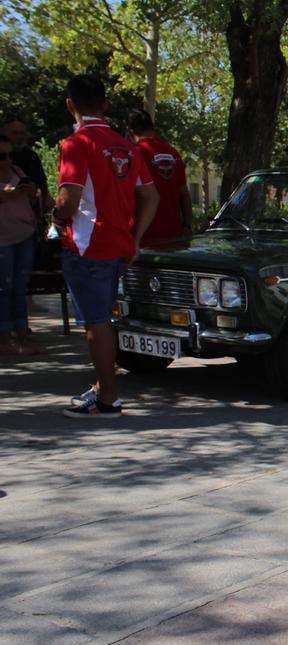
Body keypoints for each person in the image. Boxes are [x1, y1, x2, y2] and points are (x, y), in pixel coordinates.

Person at [52, 74, 159, 418]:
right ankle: (102, 387)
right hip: (118, 245)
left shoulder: (77, 142)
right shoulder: (127, 146)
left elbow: (69, 200)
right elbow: (151, 196)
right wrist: (136, 238)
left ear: (70, 105)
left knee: (96, 323)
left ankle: (108, 399)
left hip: (86, 247)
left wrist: (54, 215)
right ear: (105, 104)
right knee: (104, 320)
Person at [0, 133, 46, 355]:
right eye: (2, 156)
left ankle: (22, 336)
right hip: (3, 240)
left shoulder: (18, 172)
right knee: (4, 289)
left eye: (10, 155)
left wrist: (31, 193)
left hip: (24, 235)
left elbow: (35, 199)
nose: (7, 160)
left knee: (19, 288)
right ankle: (5, 337)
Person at [126, 109, 191, 243]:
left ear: (130, 133)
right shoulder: (173, 153)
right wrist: (187, 226)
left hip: (144, 238)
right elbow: (184, 194)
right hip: (174, 237)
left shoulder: (134, 154)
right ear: (152, 128)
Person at [2, 118, 53, 218]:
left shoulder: (30, 155)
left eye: (22, 133)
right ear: (4, 133)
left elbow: (41, 182)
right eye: (14, 133)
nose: (19, 137)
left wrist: (45, 199)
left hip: (28, 214)